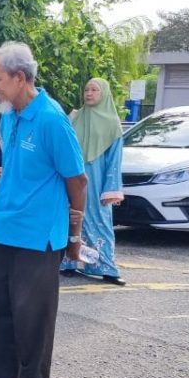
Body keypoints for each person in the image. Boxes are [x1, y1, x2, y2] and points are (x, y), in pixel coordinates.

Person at [0, 41, 87, 378]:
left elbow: (77, 179)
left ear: (21, 78)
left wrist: (74, 233)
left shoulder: (51, 119)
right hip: (5, 226)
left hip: (39, 233)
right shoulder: (9, 116)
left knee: (32, 312)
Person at [60, 77, 125, 285]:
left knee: (100, 220)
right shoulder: (75, 118)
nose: (89, 93)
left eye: (94, 90)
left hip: (96, 181)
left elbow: (114, 160)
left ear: (104, 94)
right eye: (87, 89)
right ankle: (69, 262)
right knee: (71, 217)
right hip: (73, 177)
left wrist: (111, 189)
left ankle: (105, 266)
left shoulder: (113, 124)